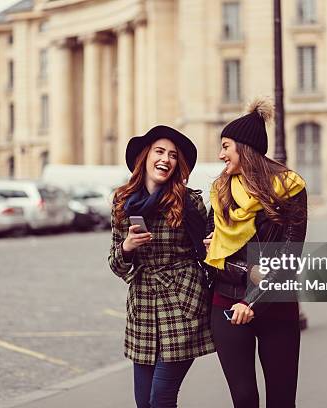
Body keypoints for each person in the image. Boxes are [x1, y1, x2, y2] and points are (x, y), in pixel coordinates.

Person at [203, 98, 307, 408]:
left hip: (276, 306)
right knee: (244, 398)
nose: (221, 154)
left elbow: (290, 255)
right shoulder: (221, 190)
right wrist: (247, 269)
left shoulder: (290, 188)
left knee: (282, 400)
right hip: (227, 302)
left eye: (226, 146)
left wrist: (252, 300)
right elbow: (209, 251)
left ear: (244, 147)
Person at [108, 125, 214, 408]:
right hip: (142, 308)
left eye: (173, 155)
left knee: (162, 399)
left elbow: (206, 252)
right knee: (144, 402)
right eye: (159, 151)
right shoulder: (123, 202)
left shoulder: (188, 201)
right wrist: (127, 247)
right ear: (145, 157)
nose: (165, 159)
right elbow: (117, 266)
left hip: (182, 303)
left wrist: (212, 246)